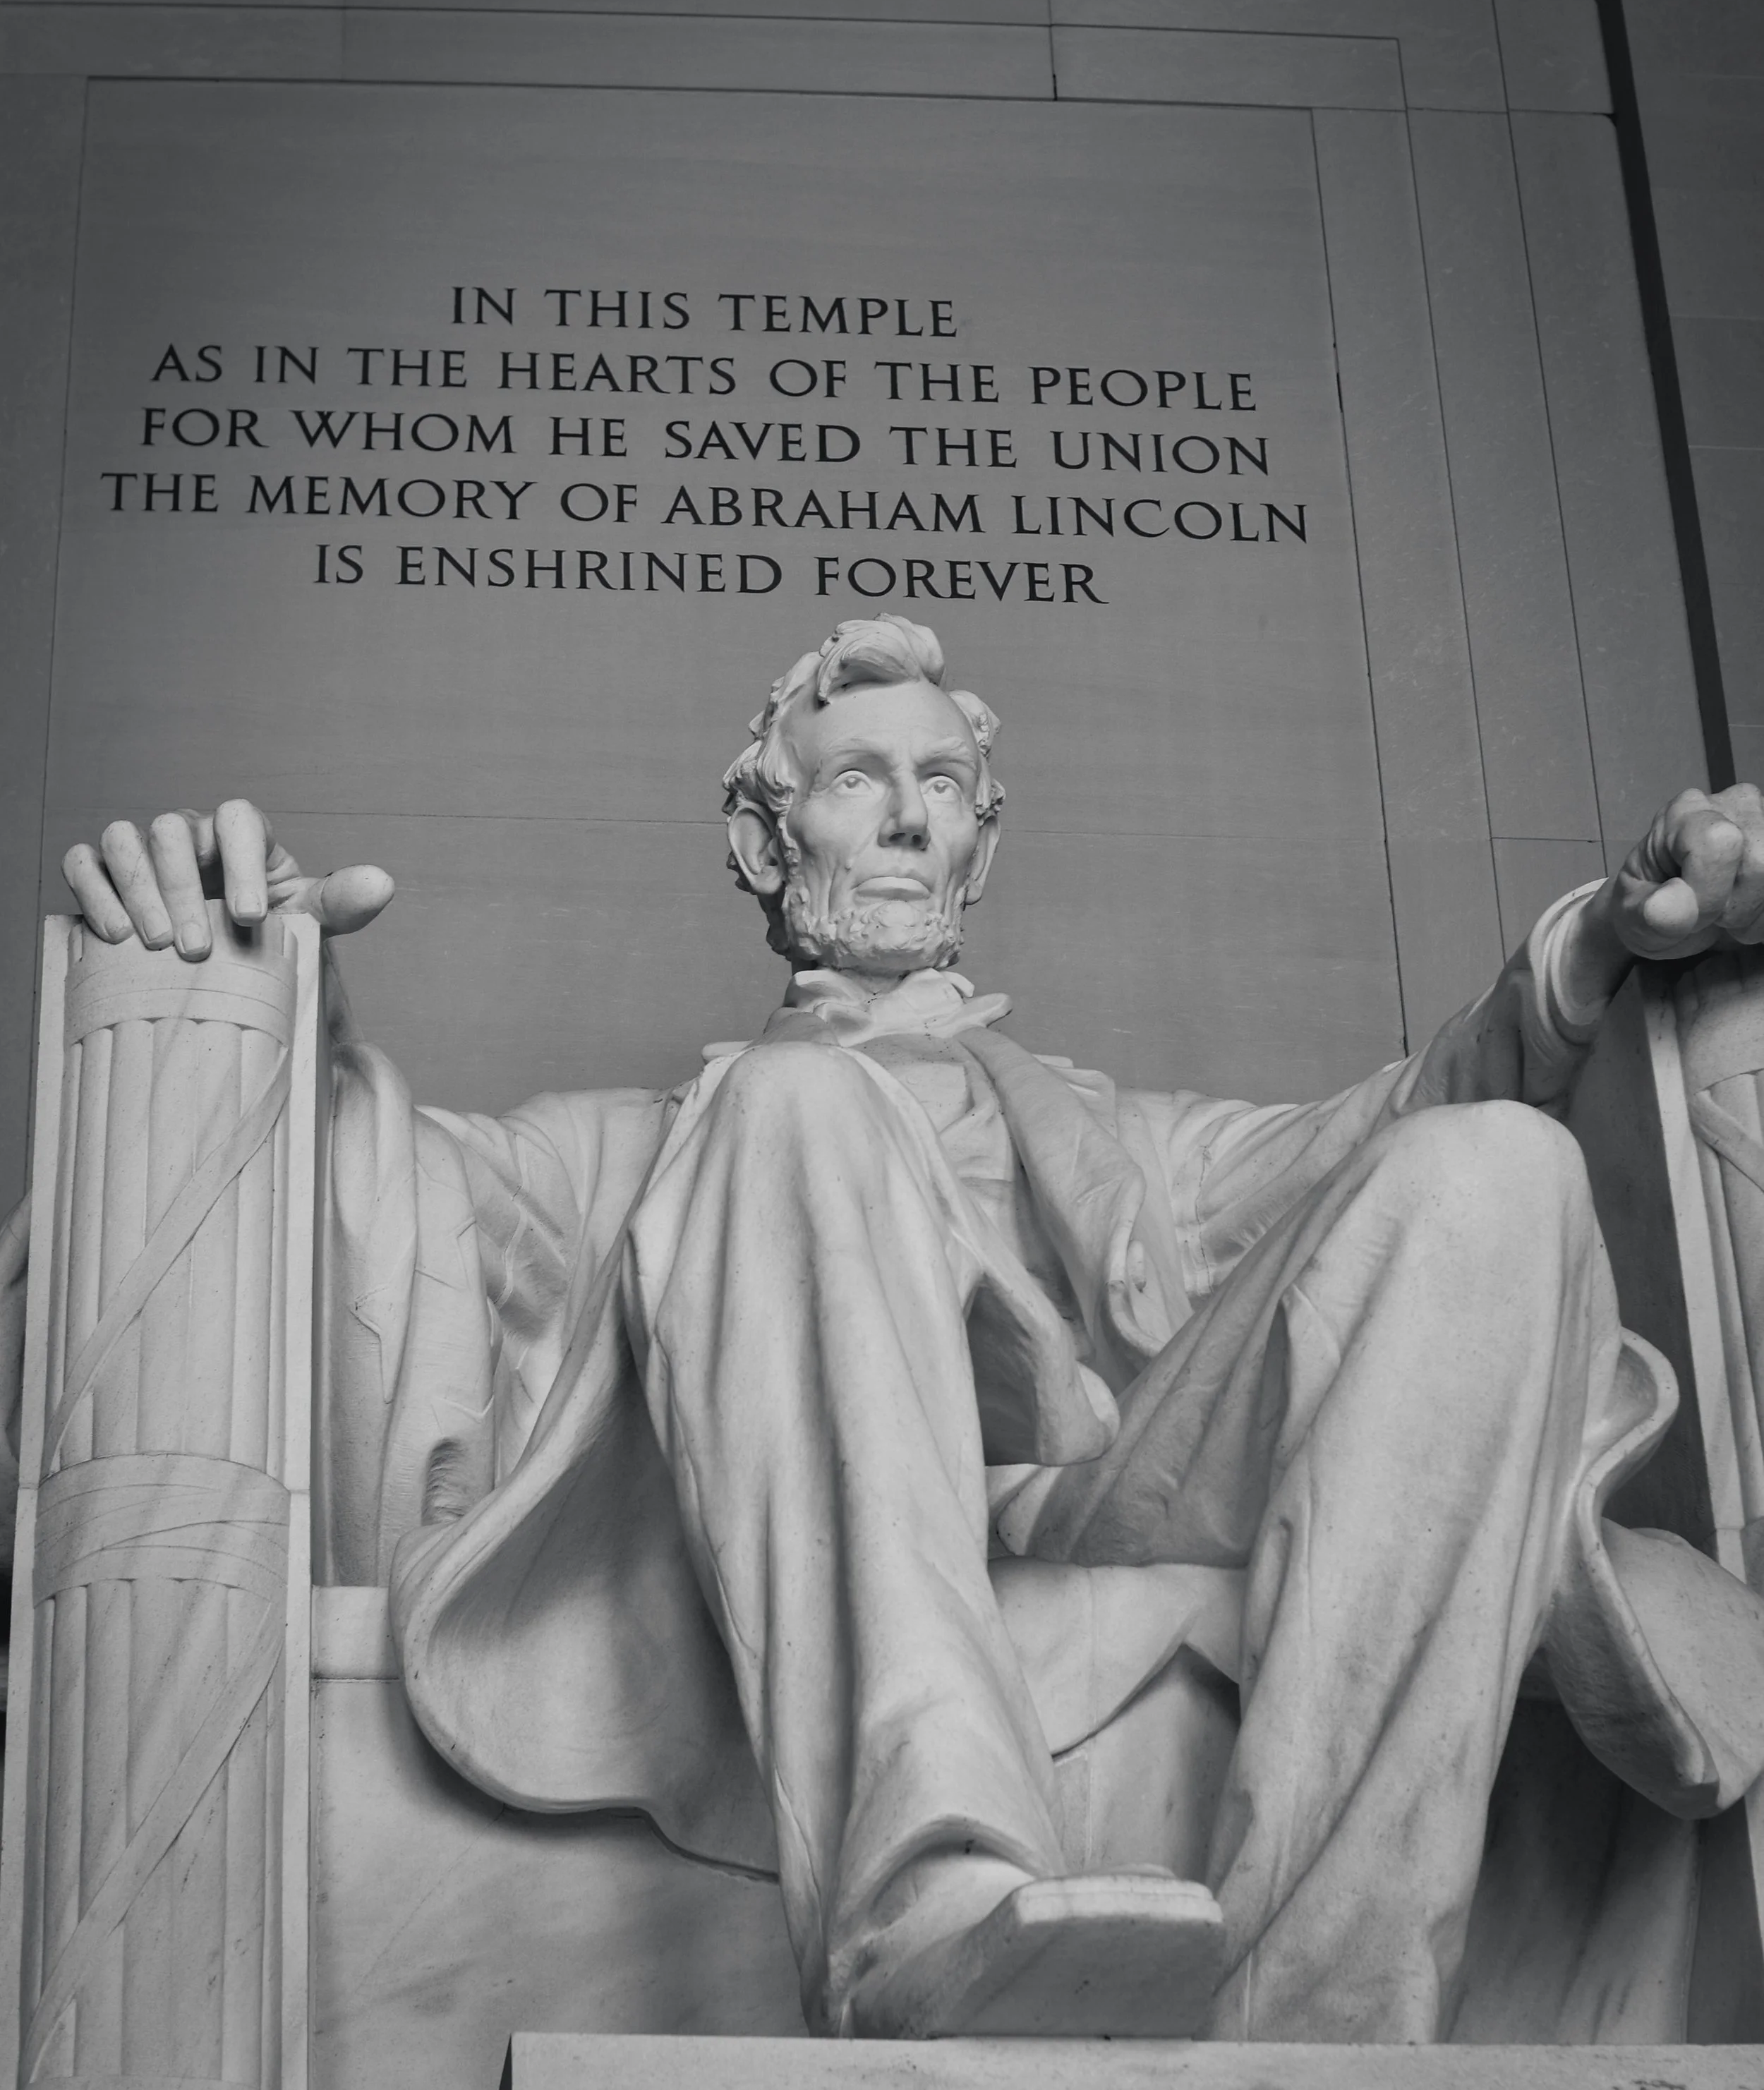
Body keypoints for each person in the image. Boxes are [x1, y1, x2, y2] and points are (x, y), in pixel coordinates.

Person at [47, 616, 1764, 2043]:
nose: (901, 820)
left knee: (1495, 1168)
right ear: (763, 836)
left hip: (1104, 1485)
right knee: (798, 1114)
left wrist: (1594, 950)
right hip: (790, 1444)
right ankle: (927, 1896)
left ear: (980, 839)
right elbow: (374, 1187)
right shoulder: (643, 1147)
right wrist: (261, 979)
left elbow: (1399, 1121)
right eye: (855, 780)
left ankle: (1324, 1998)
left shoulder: (1117, 1137)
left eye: (939, 786)